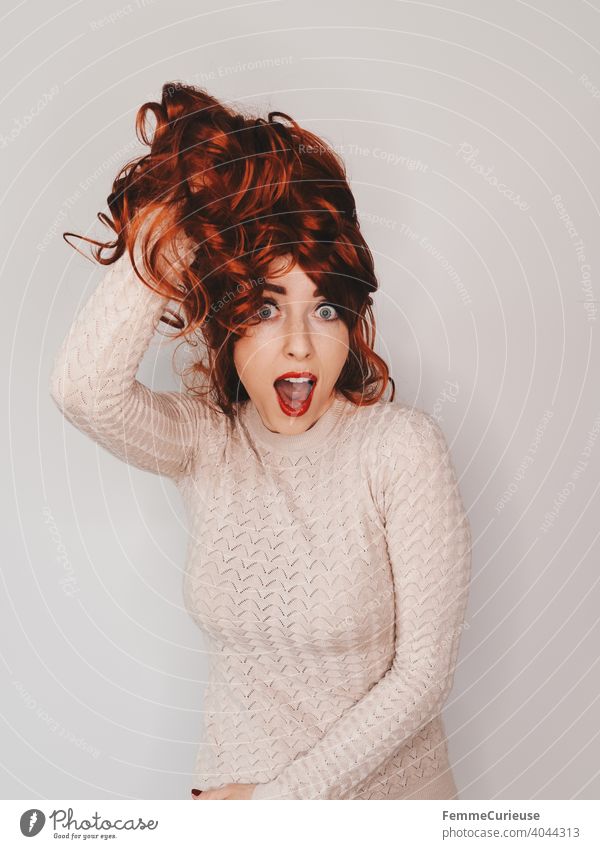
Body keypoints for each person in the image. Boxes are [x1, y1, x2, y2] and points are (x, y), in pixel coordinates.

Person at [49, 83, 472, 800]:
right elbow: (82, 389)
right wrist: (185, 220)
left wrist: (277, 807)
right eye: (268, 308)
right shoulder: (207, 442)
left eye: (326, 307)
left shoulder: (398, 450)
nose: (301, 344)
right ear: (230, 321)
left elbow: (424, 674)